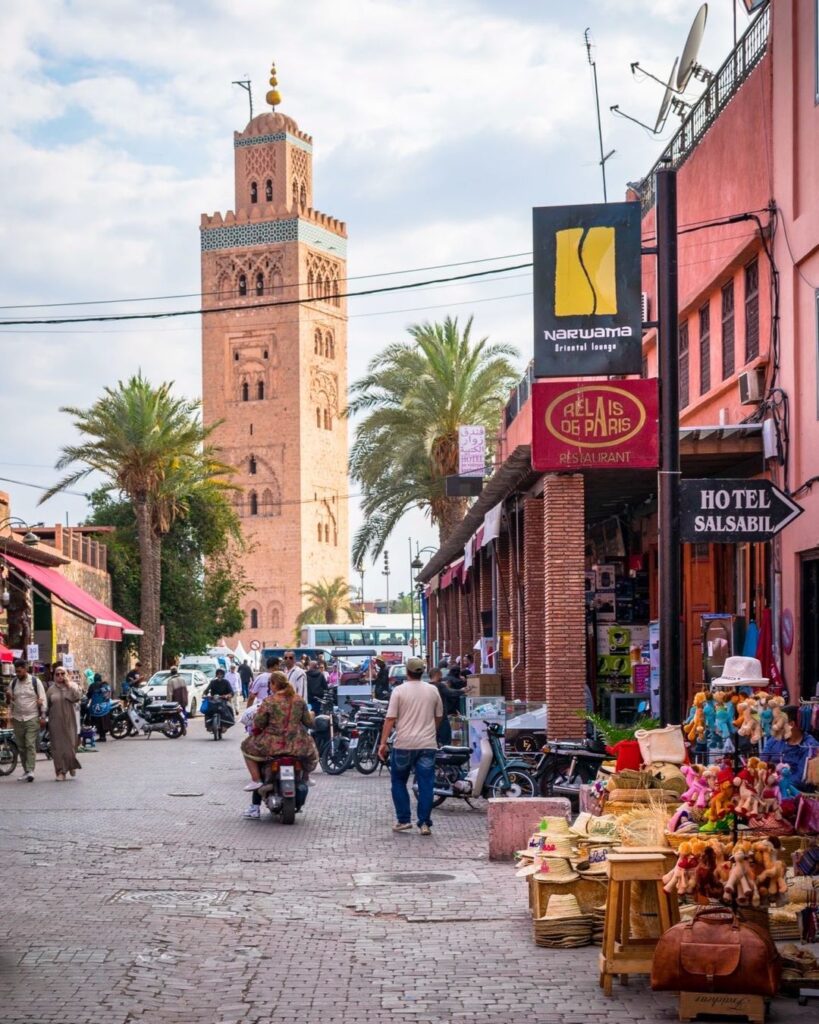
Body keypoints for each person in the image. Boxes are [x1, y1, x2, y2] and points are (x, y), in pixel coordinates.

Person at [378, 656, 442, 836]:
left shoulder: (399, 691)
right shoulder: (432, 691)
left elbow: (390, 718)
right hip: (427, 744)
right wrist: (431, 731)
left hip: (404, 743)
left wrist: (383, 743)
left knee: (398, 781)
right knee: (426, 784)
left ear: (407, 672)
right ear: (422, 672)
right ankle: (424, 823)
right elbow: (438, 716)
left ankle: (404, 820)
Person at [240, 670, 319, 818]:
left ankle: (256, 780)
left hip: (272, 743)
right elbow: (308, 722)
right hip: (298, 743)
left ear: (274, 684)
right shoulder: (299, 700)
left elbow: (259, 722)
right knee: (311, 752)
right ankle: (306, 777)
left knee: (245, 747)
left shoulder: (269, 701)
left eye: (271, 683)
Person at [762, 705, 819, 787]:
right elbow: (763, 762)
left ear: (791, 724)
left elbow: (801, 778)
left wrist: (776, 783)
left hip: (793, 791)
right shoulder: (775, 739)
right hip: (768, 784)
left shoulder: (810, 746)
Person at [10, 659, 46, 782]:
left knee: (30, 744)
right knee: (21, 746)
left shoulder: (35, 682)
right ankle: (26, 770)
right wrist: (9, 698)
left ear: (25, 669)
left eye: (19, 671)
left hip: (32, 717)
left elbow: (43, 699)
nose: (18, 674)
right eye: (16, 672)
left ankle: (31, 770)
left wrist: (43, 716)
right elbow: (10, 700)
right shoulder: (13, 683)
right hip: (17, 718)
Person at [46, 666, 82, 781]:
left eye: (62, 673)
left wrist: (69, 685)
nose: (60, 676)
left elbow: (77, 697)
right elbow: (47, 706)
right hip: (55, 722)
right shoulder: (51, 690)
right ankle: (61, 772)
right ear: (54, 676)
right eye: (57, 674)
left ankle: (71, 765)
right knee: (57, 748)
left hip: (70, 721)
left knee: (70, 746)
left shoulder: (72, 686)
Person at [428, 667, 463, 747]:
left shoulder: (427, 686)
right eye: (440, 675)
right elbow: (451, 693)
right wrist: (463, 690)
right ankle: (445, 756)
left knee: (433, 741)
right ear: (437, 674)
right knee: (446, 742)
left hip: (429, 718)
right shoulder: (440, 686)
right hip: (441, 717)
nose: (441, 677)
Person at [86, 672, 113, 742]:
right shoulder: (105, 685)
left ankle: (101, 737)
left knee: (98, 722)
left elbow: (88, 695)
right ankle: (103, 736)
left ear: (94, 679)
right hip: (105, 707)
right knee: (104, 721)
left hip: (96, 707)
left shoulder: (92, 685)